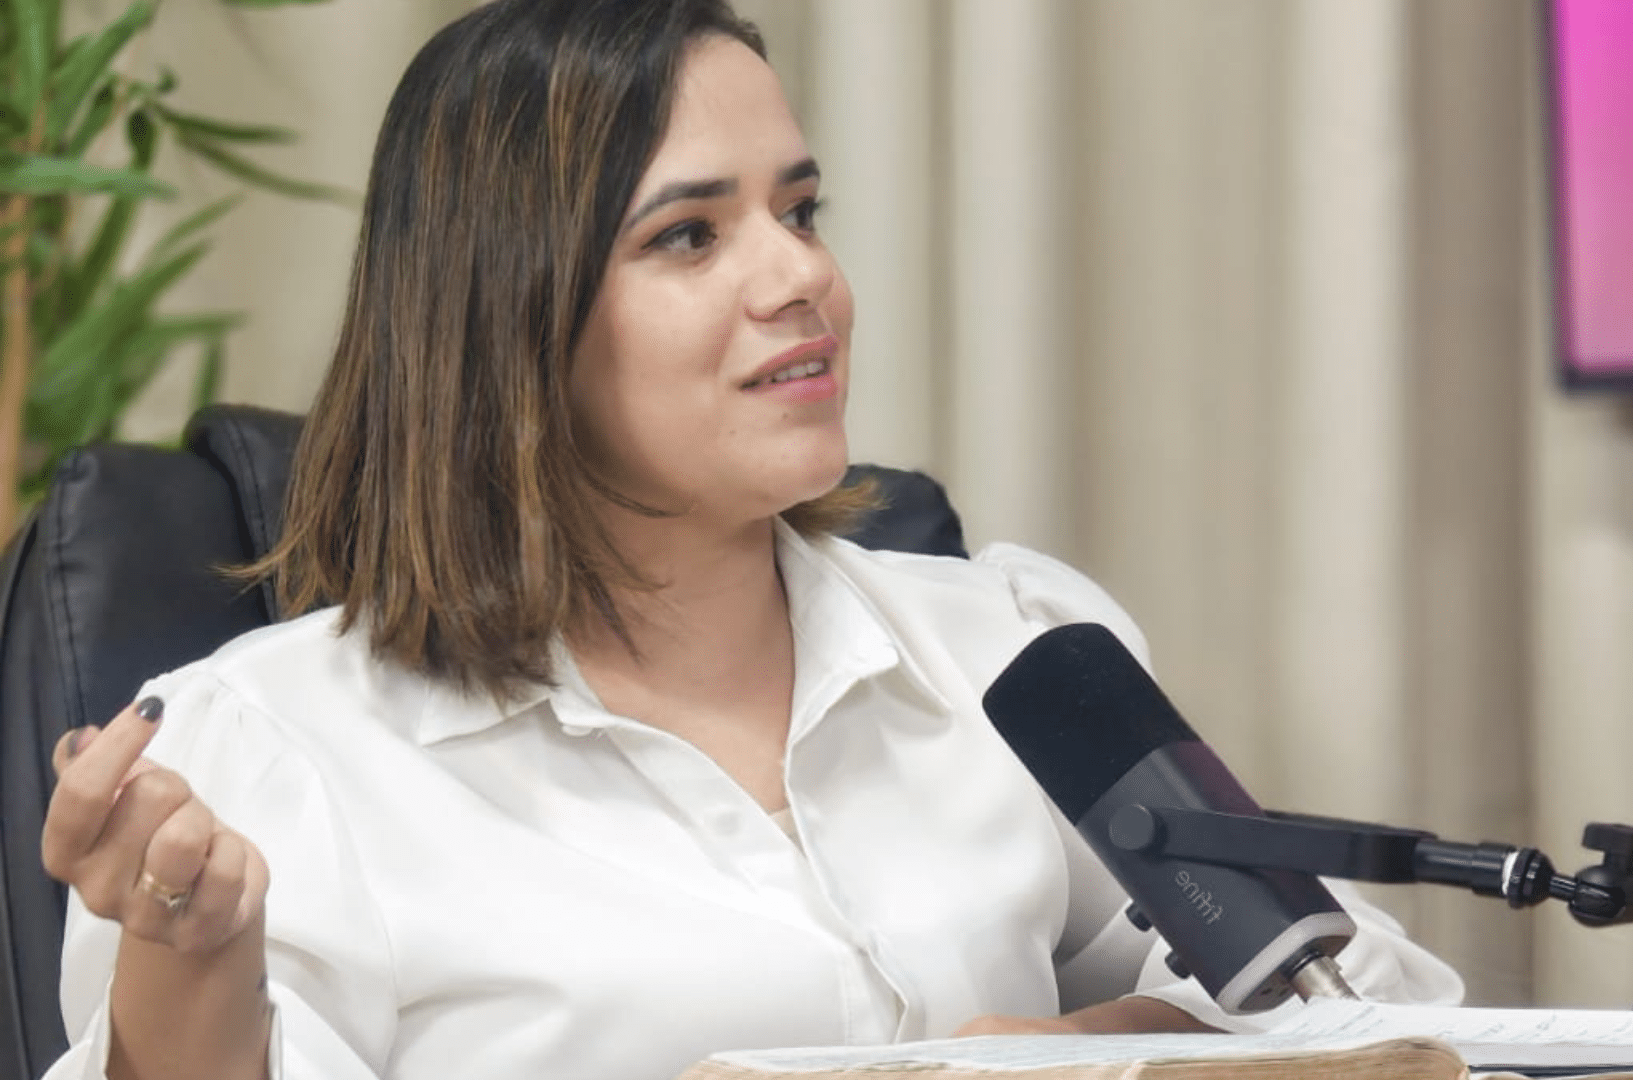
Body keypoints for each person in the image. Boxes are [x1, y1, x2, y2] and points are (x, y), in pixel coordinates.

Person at [38, 2, 1464, 1078]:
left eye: (799, 209)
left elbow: (1370, 998)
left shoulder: (1007, 654)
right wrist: (197, 958)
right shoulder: (279, 752)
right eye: (688, 237)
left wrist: (1082, 1047)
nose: (804, 277)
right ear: (503, 322)